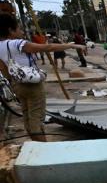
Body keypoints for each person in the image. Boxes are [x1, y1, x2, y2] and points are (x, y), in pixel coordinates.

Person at [0, 13, 85, 141]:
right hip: (31, 85)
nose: (22, 32)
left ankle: (35, 144)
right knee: (37, 117)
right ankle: (42, 149)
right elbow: (47, 47)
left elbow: (3, 69)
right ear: (10, 30)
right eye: (19, 29)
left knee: (27, 115)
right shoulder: (17, 43)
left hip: (17, 85)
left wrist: (13, 84)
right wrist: (72, 45)